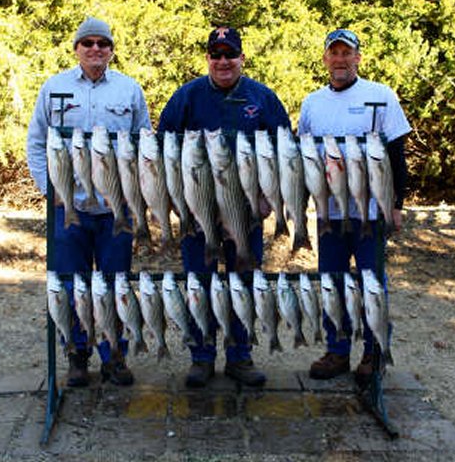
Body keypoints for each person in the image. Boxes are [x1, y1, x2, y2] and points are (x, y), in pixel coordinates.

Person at [158, 25, 291, 388]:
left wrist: (268, 198)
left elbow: (284, 153)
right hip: (197, 211)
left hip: (245, 212)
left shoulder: (263, 99)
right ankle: (201, 357)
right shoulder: (186, 97)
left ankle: (240, 356)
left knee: (243, 282)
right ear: (207, 59)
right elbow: (161, 153)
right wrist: (172, 199)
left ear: (242, 58)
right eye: (215, 55)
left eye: (229, 54)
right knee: (199, 284)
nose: (223, 61)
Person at [27, 16, 151, 387]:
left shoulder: (129, 90)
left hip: (116, 209)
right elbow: (36, 142)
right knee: (71, 284)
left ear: (112, 50)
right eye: (88, 43)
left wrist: (134, 195)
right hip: (70, 208)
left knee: (116, 284)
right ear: (76, 48)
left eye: (102, 43)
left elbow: (143, 144)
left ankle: (114, 355)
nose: (95, 49)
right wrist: (51, 193)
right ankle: (76, 355)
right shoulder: (53, 88)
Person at [297, 28, 410, 384]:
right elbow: (304, 159)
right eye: (335, 53)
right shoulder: (312, 103)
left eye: (348, 53)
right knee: (332, 281)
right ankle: (337, 351)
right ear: (326, 58)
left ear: (358, 57)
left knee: (372, 282)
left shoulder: (381, 96)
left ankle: (374, 353)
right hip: (329, 213)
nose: (341, 60)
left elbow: (396, 155)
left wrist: (397, 204)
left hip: (370, 212)